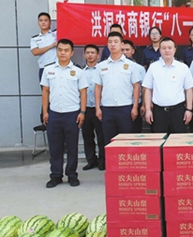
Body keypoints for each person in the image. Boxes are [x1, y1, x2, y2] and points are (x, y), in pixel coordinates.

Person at [41, 39, 88, 188]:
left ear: (72, 53)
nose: (63, 53)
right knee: (55, 147)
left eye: (66, 50)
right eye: (60, 50)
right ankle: (56, 176)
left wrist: (82, 112)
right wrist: (45, 112)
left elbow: (83, 92)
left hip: (72, 114)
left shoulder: (79, 71)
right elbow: (45, 91)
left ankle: (72, 175)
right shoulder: (48, 70)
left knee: (72, 146)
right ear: (57, 51)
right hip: (54, 113)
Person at [95, 32, 142, 144]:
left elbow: (136, 87)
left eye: (116, 42)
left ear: (122, 44)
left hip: (125, 107)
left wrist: (135, 107)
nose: (113, 44)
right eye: (110, 42)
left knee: (126, 140)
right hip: (107, 108)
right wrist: (97, 108)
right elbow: (98, 87)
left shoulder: (132, 66)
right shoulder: (101, 66)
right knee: (108, 140)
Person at [143, 37, 193, 134]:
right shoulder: (153, 67)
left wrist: (189, 109)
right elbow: (148, 89)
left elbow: (189, 89)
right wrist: (148, 109)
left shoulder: (183, 67)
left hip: (178, 111)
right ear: (160, 50)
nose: (167, 50)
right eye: (164, 48)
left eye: (170, 48)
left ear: (175, 49)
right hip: (159, 111)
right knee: (159, 139)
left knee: (178, 140)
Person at [81, 44, 105, 171]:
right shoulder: (80, 72)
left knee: (102, 136)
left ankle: (102, 160)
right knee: (87, 136)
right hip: (85, 108)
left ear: (98, 55)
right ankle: (91, 160)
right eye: (88, 53)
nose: (90, 55)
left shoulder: (102, 70)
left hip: (99, 108)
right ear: (84, 55)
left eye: (93, 52)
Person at [122, 40, 146, 133]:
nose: (125, 52)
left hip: (135, 103)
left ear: (133, 51)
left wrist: (144, 104)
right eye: (122, 50)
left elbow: (144, 88)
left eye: (127, 50)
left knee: (135, 132)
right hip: (121, 104)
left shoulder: (139, 68)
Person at [30, 12, 57, 82]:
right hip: (44, 68)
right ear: (38, 23)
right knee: (45, 89)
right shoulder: (35, 38)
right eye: (41, 20)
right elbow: (35, 52)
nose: (43, 22)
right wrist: (51, 46)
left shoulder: (56, 33)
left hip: (57, 67)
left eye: (45, 20)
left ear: (50, 23)